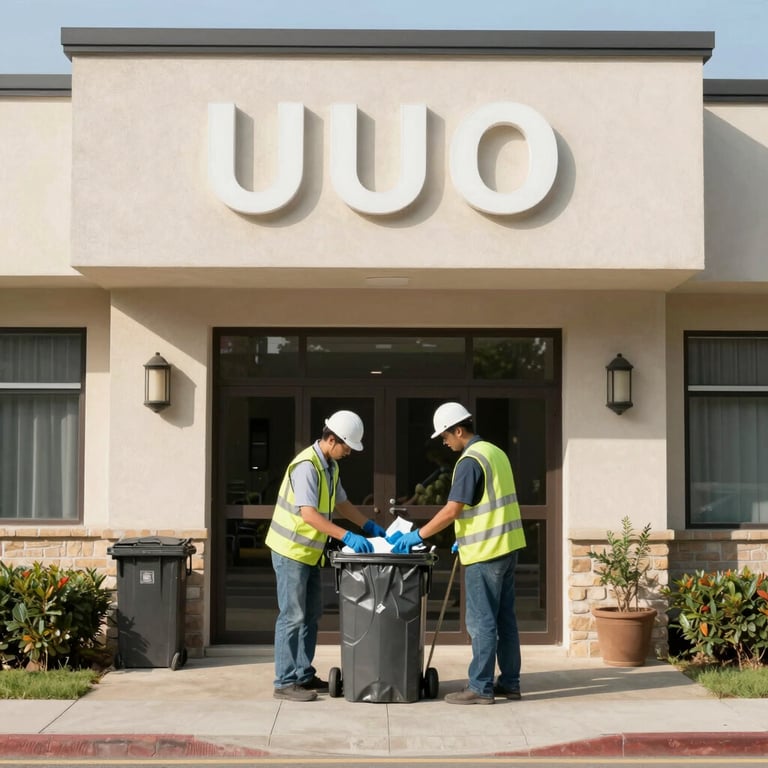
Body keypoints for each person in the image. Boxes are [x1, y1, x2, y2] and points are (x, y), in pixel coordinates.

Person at [392, 402, 526, 705]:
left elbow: (453, 509)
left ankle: (480, 687)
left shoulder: (469, 461)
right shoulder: (496, 453)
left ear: (459, 430)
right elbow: (485, 504)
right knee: (505, 620)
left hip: (485, 551)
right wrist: (461, 536)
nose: (444, 441)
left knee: (481, 622)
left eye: (445, 436)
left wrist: (417, 534)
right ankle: (511, 683)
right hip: (507, 547)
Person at [265, 410, 387, 702]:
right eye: (346, 447)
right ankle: (284, 681)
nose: (348, 453)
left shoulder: (329, 466)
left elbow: (341, 503)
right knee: (292, 617)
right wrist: (345, 536)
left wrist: (367, 525)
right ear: (331, 439)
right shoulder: (307, 466)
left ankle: (303, 675)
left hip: (308, 553)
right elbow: (308, 515)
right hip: (290, 551)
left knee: (311, 616)